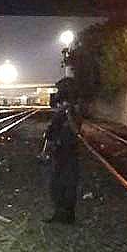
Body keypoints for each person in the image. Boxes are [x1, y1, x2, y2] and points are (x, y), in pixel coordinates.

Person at [43, 91, 83, 224]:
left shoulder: (73, 113)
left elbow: (76, 130)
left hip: (70, 153)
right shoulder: (59, 115)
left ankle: (67, 215)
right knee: (56, 185)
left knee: (68, 185)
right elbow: (50, 134)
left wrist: (67, 114)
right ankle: (60, 213)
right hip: (59, 153)